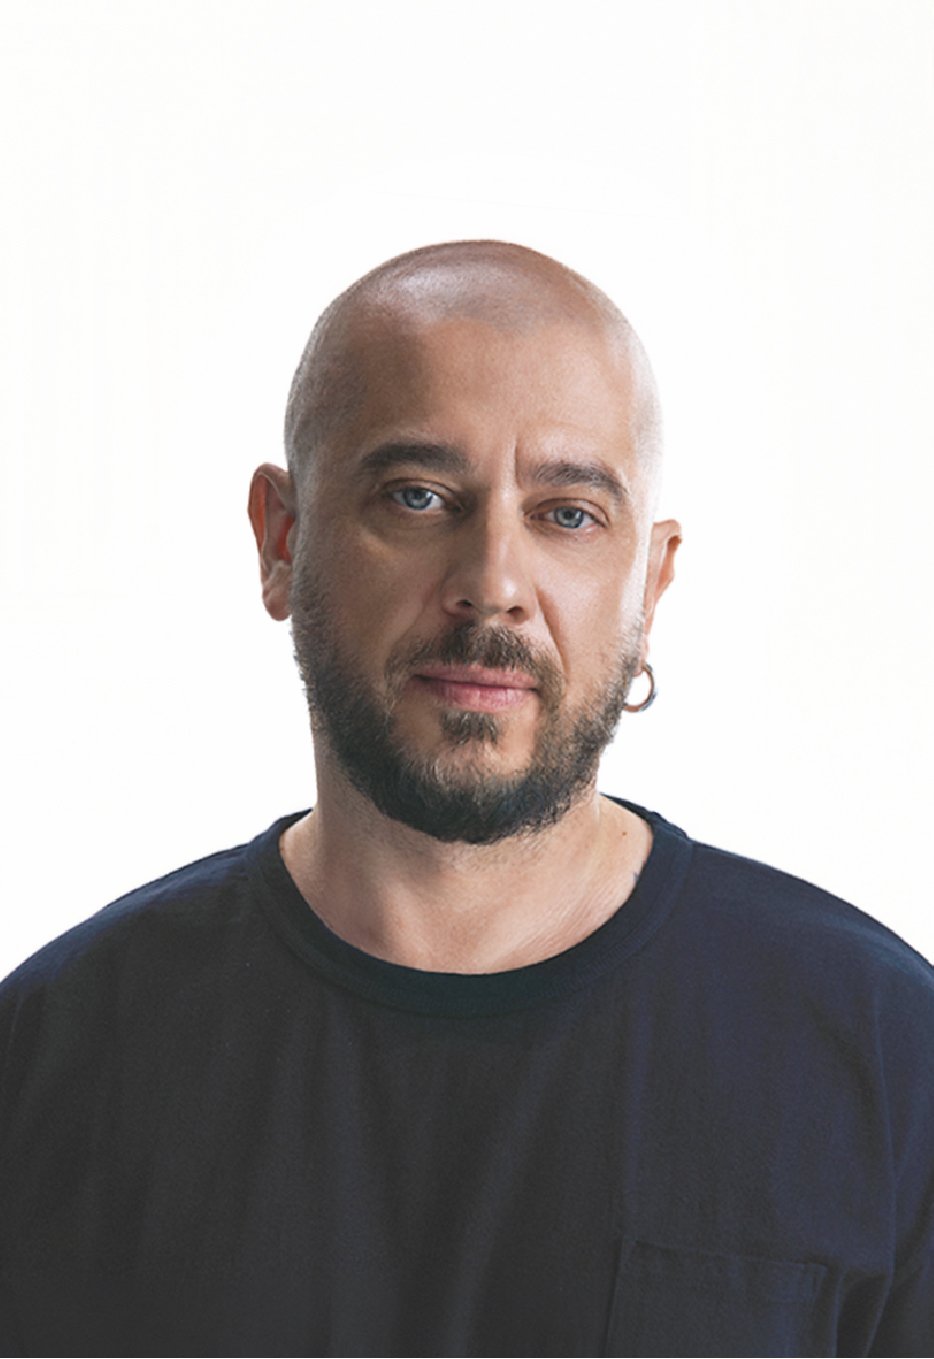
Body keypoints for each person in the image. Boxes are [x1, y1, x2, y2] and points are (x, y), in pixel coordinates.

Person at [0, 241, 931, 1358]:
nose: (492, 582)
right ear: (282, 540)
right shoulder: (52, 1063)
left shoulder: (885, 1061)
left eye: (568, 514)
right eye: (418, 496)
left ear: (651, 582)